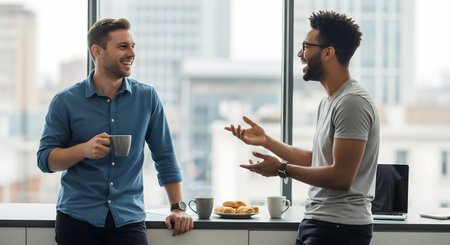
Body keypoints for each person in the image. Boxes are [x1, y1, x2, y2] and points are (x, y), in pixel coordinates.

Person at [225, 11, 379, 245]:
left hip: (340, 228)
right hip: (320, 223)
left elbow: (341, 177)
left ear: (328, 52)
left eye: (306, 46)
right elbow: (318, 160)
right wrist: (267, 141)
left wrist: (281, 169)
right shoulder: (330, 101)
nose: (300, 53)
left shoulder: (352, 102)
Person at [37, 18, 193, 245]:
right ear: (97, 51)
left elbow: (165, 156)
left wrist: (177, 207)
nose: (131, 53)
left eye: (132, 46)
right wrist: (84, 150)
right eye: (123, 47)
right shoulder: (65, 102)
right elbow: (44, 160)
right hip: (77, 219)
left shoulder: (147, 98)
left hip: (128, 221)